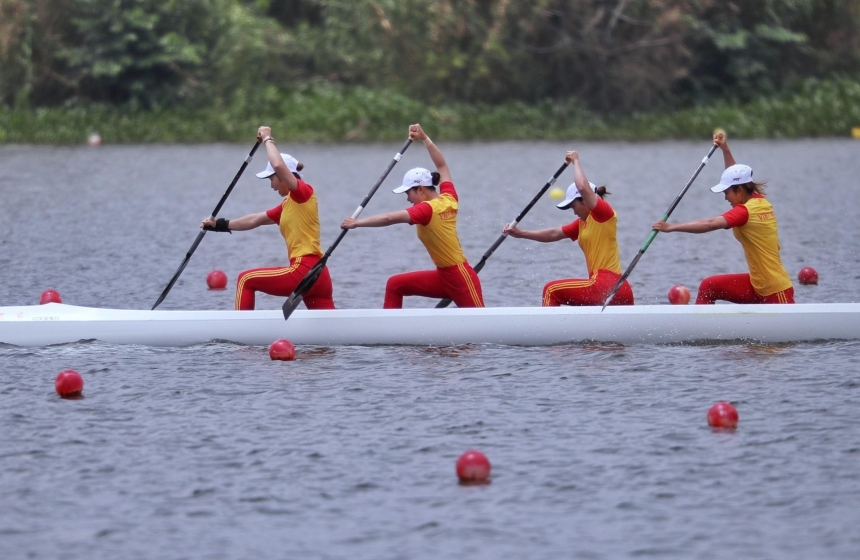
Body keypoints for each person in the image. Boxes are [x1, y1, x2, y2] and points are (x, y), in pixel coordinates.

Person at [341, 124, 484, 308]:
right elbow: (441, 165)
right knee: (395, 285)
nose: (407, 199)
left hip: (461, 278)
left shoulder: (426, 210)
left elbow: (389, 218)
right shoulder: (449, 197)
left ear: (421, 189)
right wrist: (425, 138)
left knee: (476, 334)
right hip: (443, 276)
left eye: (408, 193)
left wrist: (356, 223)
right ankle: (391, 335)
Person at [201, 126, 335, 310]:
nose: (271, 185)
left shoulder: (303, 192)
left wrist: (267, 138)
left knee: (245, 279)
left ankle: (240, 331)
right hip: (319, 274)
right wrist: (219, 225)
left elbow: (278, 165)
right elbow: (255, 220)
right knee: (328, 334)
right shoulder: (288, 205)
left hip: (303, 270)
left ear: (281, 176)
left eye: (271, 179)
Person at [652, 133, 794, 304]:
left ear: (739, 190)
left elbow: (710, 224)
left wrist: (671, 227)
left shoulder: (744, 212)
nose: (725, 197)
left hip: (775, 291)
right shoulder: (757, 199)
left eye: (726, 192)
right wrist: (725, 149)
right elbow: (735, 175)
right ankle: (701, 329)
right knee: (709, 286)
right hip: (757, 286)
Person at [504, 150, 634, 306]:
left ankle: (546, 330)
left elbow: (583, 187)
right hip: (620, 289)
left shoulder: (603, 214)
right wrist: (520, 233)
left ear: (585, 201)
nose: (573, 211)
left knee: (550, 290)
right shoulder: (582, 223)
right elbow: (554, 234)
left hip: (605, 286)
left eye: (573, 205)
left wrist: (576, 161)